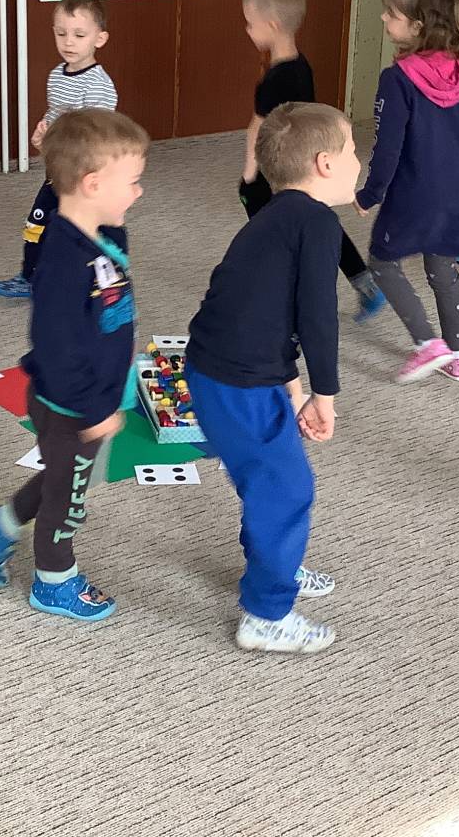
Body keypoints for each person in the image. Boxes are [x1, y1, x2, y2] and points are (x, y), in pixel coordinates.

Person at [185, 102, 359, 654]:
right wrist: (325, 395)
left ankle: (275, 565)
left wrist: (293, 388)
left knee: (266, 481)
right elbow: (317, 317)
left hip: (220, 368)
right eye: (354, 151)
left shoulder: (272, 216)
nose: (360, 162)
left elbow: (261, 311)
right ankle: (266, 615)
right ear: (325, 163)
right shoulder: (319, 223)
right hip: (238, 381)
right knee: (287, 491)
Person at [0, 109, 149, 621]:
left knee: (63, 478)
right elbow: (55, 345)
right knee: (69, 498)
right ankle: (54, 581)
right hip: (71, 405)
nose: (139, 192)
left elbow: (111, 296)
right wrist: (93, 410)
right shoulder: (64, 261)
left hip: (94, 394)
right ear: (92, 184)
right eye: (132, 182)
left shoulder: (99, 236)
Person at [355, 0, 459, 383]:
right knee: (443, 269)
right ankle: (458, 356)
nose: (383, 18)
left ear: (418, 25)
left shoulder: (397, 80)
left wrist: (371, 193)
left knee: (382, 261)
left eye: (391, 14)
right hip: (458, 194)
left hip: (414, 195)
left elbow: (387, 148)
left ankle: (427, 343)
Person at [239, 0, 384, 323]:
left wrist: (249, 174)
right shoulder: (302, 66)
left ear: (272, 26)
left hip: (278, 167)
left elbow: (256, 128)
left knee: (274, 228)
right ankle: (364, 282)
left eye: (250, 24)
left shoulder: (274, 80)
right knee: (319, 218)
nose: (247, 30)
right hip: (307, 160)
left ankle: (282, 290)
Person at [0, 0, 118, 299]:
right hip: (57, 173)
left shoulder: (98, 85)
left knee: (82, 233)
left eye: (79, 35)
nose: (68, 42)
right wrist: (44, 139)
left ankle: (96, 284)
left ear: (100, 39)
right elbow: (54, 116)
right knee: (36, 225)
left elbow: (101, 135)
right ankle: (29, 278)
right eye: (61, 33)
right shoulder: (56, 76)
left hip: (84, 177)